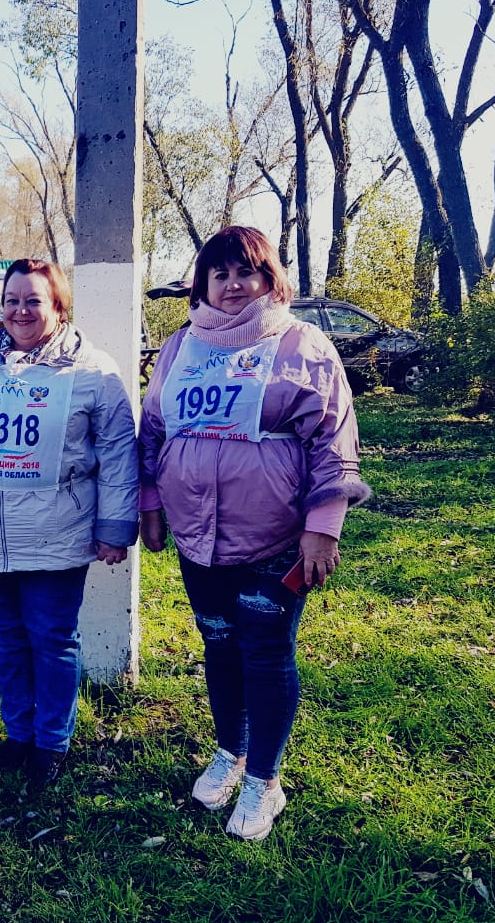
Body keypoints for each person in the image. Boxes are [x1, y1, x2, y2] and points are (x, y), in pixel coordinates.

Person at [139, 226, 370, 840]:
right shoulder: (179, 347)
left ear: (270, 280)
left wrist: (323, 528)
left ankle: (265, 780)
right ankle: (229, 752)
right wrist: (151, 506)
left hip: (275, 537)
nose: (234, 284)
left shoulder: (302, 344)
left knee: (265, 652)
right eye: (220, 274)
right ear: (203, 284)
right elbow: (153, 429)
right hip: (197, 536)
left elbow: (332, 438)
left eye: (247, 272)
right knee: (218, 643)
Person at [0, 258, 138, 792]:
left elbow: (117, 453)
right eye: (12, 300)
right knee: (7, 637)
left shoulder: (94, 371)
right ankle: (18, 734)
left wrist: (116, 525)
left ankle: (52, 743)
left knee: (52, 637)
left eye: (33, 300)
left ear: (58, 306)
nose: (20, 310)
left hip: (55, 532)